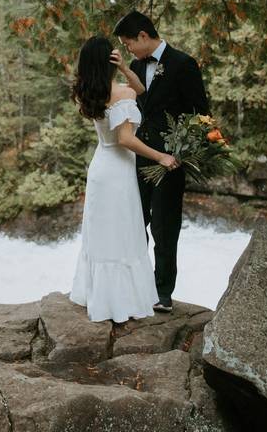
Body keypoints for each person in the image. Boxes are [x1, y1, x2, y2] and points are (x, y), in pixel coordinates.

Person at [69, 36, 177, 323]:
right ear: (109, 61)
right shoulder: (122, 95)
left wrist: (127, 70)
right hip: (118, 171)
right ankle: (120, 300)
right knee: (122, 232)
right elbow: (126, 139)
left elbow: (140, 89)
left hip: (100, 167)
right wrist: (161, 157)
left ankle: (100, 294)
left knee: (104, 232)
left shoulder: (87, 92)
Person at [113, 11, 210, 313]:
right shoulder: (134, 67)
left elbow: (201, 113)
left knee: (165, 227)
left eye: (129, 43)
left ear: (143, 36)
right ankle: (135, 284)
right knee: (134, 221)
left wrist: (184, 152)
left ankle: (162, 292)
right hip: (140, 155)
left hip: (172, 160)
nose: (129, 50)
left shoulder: (183, 64)